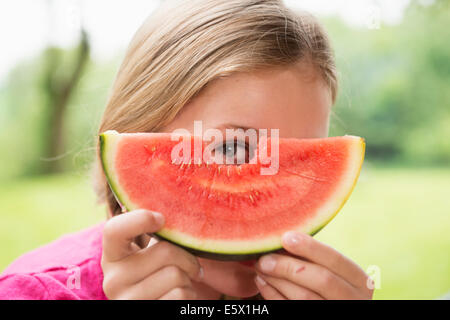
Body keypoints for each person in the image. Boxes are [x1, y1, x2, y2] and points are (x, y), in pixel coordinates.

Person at [0, 0, 373, 300]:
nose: (268, 201)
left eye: (299, 165)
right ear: (140, 133)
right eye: (232, 149)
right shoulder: (30, 292)